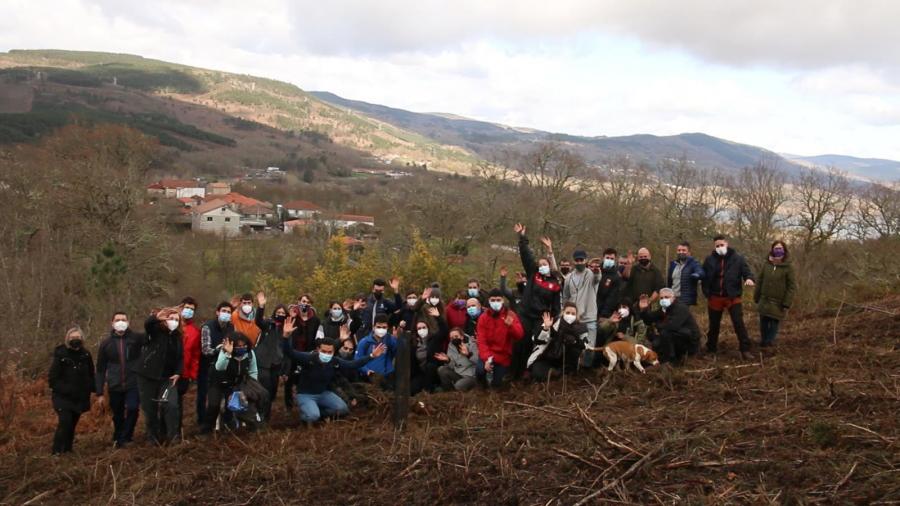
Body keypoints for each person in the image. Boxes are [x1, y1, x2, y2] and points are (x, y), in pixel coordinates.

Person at [282, 336, 386, 425]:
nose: (326, 354)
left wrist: (371, 356)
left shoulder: (334, 361)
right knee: (312, 417)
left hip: (324, 393)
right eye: (323, 351)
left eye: (329, 352)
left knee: (342, 409)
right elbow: (290, 352)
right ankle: (307, 415)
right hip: (306, 394)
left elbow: (352, 364)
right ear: (318, 349)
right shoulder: (308, 358)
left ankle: (319, 413)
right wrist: (286, 337)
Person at [512, 223, 561, 379]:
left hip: (540, 318)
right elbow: (526, 255)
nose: (542, 266)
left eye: (544, 264)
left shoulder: (555, 283)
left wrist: (552, 320)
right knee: (521, 341)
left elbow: (556, 306)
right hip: (525, 314)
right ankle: (515, 371)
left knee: (537, 344)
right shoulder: (534, 274)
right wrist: (522, 237)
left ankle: (531, 370)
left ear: (549, 265)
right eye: (540, 265)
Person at [701, 235, 756, 359]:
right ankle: (711, 350)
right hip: (715, 296)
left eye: (722, 245)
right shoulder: (709, 259)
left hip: (732, 296)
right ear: (714, 247)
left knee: (738, 323)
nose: (720, 247)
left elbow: (747, 272)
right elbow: (704, 276)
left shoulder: (738, 258)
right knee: (713, 325)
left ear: (727, 244)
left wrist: (749, 279)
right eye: (717, 246)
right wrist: (706, 293)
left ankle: (745, 350)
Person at [135, 307, 183, 445]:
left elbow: (181, 358)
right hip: (147, 376)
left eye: (176, 319)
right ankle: (152, 437)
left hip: (168, 379)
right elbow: (148, 324)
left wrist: (178, 373)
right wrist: (157, 318)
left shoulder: (178, 338)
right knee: (150, 409)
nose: (173, 321)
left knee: (172, 405)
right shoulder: (156, 332)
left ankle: (173, 436)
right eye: (171, 319)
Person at [201, 333, 268, 432]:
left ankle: (250, 424)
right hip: (219, 382)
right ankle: (206, 429)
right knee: (214, 405)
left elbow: (253, 371)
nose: (242, 348)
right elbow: (220, 366)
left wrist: (252, 386)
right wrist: (227, 354)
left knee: (249, 399)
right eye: (239, 346)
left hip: (237, 383)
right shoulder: (224, 352)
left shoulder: (249, 354)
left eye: (244, 346)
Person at [95, 311, 143, 448]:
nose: (120, 322)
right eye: (117, 320)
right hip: (114, 384)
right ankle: (118, 437)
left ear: (128, 322)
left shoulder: (136, 339)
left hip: (133, 383)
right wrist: (99, 392)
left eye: (123, 319)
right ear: (112, 323)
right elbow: (100, 368)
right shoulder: (106, 344)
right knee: (117, 414)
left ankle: (127, 436)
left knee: (133, 408)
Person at [49, 326, 95, 454]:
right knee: (65, 422)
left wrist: (94, 389)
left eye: (78, 337)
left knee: (73, 424)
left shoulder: (86, 354)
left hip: (80, 397)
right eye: (73, 337)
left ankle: (68, 449)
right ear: (68, 339)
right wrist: (66, 389)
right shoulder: (61, 354)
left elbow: (91, 373)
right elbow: (53, 378)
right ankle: (56, 451)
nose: (75, 339)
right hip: (62, 397)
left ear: (82, 339)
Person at [476, 289, 524, 388]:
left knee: (498, 385)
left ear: (502, 300)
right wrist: (487, 359)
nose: (495, 302)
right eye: (493, 300)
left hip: (503, 356)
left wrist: (511, 326)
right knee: (480, 371)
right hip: (488, 354)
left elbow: (519, 335)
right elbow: (482, 341)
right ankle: (481, 387)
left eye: (498, 300)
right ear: (489, 301)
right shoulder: (483, 318)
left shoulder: (510, 315)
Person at [528, 304, 589, 382]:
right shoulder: (552, 322)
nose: (570, 315)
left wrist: (575, 341)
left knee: (575, 350)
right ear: (563, 312)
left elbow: (585, 345)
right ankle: (555, 373)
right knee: (538, 373)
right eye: (568, 312)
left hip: (566, 361)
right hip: (547, 356)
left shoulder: (581, 327)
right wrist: (546, 328)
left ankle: (564, 373)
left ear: (576, 315)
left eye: (573, 314)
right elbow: (538, 340)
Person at [638, 289, 701, 364]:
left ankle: (672, 361)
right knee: (656, 342)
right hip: (676, 336)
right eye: (661, 298)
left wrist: (657, 325)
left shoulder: (680, 308)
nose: (664, 299)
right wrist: (644, 310)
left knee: (665, 332)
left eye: (666, 297)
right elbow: (650, 319)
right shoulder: (665, 309)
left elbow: (672, 326)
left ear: (673, 298)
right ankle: (665, 358)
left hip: (690, 340)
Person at [561, 249, 601, 366]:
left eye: (581, 260)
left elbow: (597, 277)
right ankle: (575, 368)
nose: (579, 262)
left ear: (585, 260)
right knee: (575, 346)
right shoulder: (569, 277)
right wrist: (565, 311)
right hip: (575, 318)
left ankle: (587, 369)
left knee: (590, 347)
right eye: (577, 260)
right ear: (573, 261)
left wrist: (597, 270)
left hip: (590, 317)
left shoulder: (590, 274)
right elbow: (566, 296)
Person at [754, 240, 797, 348]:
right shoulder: (766, 264)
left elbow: (791, 286)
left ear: (784, 250)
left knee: (773, 322)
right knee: (763, 321)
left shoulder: (788, 267)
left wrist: (787, 302)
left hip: (778, 301)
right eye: (776, 248)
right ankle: (764, 342)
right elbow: (760, 280)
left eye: (780, 248)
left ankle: (769, 342)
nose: (778, 250)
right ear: (772, 250)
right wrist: (756, 295)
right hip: (764, 299)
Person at [198, 302, 234, 425]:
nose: (226, 314)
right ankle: (205, 424)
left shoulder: (231, 327)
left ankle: (228, 423)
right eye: (224, 311)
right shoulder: (207, 327)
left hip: (226, 368)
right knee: (210, 399)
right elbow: (205, 350)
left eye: (229, 312)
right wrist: (219, 350)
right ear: (217, 312)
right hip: (209, 367)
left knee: (228, 397)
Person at [283, 294, 321, 406]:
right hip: (293, 351)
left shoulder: (315, 319)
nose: (305, 304)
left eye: (308, 302)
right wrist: (292, 317)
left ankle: (305, 402)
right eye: (303, 301)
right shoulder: (293, 317)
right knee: (289, 379)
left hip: (308, 352)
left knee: (305, 378)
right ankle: (288, 405)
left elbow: (317, 336)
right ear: (298, 302)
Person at [254, 293, 287, 421]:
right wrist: (261, 306)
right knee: (264, 390)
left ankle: (266, 416)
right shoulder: (268, 324)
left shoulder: (287, 329)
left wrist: (285, 369)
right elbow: (258, 321)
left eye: (283, 313)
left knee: (272, 392)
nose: (280, 314)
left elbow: (288, 350)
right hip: (263, 362)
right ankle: (261, 416)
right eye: (278, 312)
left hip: (276, 364)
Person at [176, 297, 200, 432]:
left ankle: (177, 430)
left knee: (178, 403)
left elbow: (196, 355)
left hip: (184, 373)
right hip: (167, 373)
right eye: (187, 308)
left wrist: (192, 374)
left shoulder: (195, 332)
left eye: (192, 309)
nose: (189, 311)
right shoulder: (170, 325)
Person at [411, 307, 448, 394]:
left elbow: (444, 330)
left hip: (434, 371)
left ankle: (429, 390)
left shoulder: (434, 338)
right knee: (412, 390)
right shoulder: (414, 344)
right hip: (421, 373)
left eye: (423, 327)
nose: (421, 330)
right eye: (419, 329)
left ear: (428, 328)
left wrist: (438, 317)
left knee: (430, 366)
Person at [356, 314, 399, 386]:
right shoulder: (365, 342)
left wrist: (396, 339)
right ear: (373, 327)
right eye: (378, 327)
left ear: (387, 328)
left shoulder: (390, 340)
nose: (381, 330)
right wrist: (366, 370)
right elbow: (357, 360)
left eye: (384, 327)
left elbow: (397, 353)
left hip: (387, 378)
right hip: (369, 379)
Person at [435, 327, 479, 391]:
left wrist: (468, 354)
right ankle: (449, 392)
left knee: (459, 386)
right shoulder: (451, 346)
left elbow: (478, 361)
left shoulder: (472, 344)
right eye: (452, 338)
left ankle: (468, 388)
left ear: (462, 337)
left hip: (471, 376)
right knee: (441, 369)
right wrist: (448, 360)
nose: (454, 339)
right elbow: (452, 366)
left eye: (456, 336)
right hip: (458, 374)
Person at [667, 242, 704, 306]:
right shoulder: (673, 264)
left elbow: (701, 272)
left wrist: (697, 274)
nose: (681, 252)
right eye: (679, 250)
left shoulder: (694, 264)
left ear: (689, 252)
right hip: (672, 298)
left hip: (685, 300)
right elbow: (669, 281)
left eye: (684, 250)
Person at [597, 248, 624, 319]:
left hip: (605, 313)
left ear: (615, 260)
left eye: (612, 259)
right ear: (603, 258)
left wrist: (604, 314)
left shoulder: (616, 277)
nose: (609, 260)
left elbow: (612, 297)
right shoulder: (596, 271)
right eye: (607, 258)